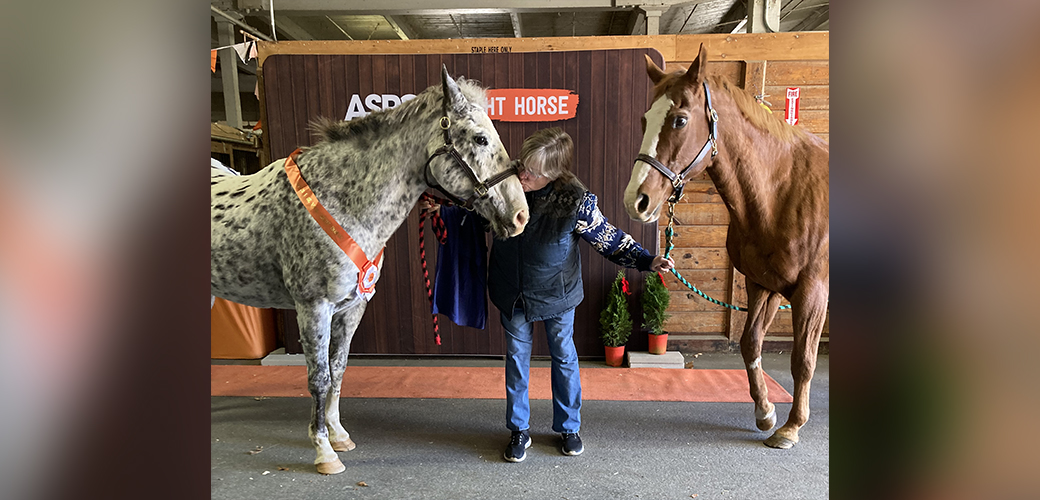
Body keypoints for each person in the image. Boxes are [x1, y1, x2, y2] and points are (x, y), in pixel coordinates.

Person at [490, 127, 674, 463]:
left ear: (554, 174)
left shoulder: (576, 200)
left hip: (558, 294)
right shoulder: (505, 183)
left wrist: (647, 259)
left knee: (563, 356)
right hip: (512, 291)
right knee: (517, 360)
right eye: (522, 164)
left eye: (533, 172)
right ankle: (518, 429)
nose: (523, 174)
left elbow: (608, 238)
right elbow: (473, 206)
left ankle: (569, 427)